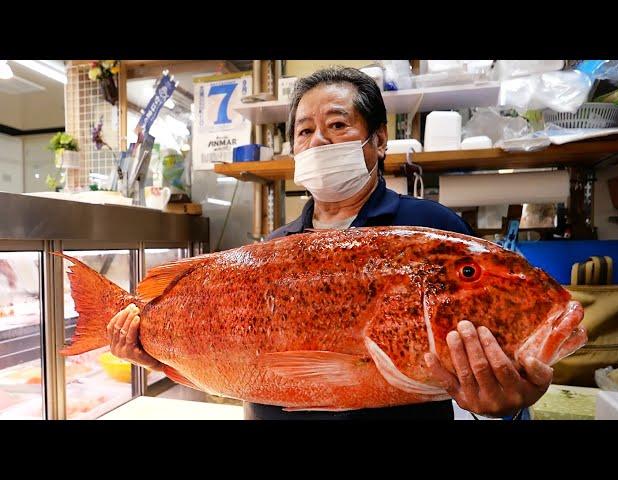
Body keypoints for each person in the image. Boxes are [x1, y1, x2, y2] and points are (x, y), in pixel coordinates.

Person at [107, 67, 556, 420]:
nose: (318, 139)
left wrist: (507, 409)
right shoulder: (276, 245)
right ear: (294, 151)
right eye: (304, 131)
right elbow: (229, 364)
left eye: (337, 124)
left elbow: (491, 384)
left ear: (379, 140)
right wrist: (153, 351)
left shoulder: (435, 229)